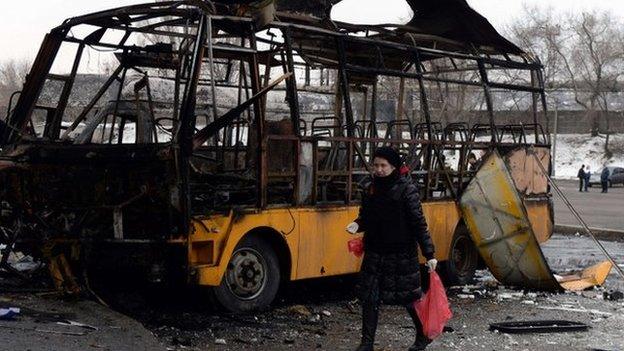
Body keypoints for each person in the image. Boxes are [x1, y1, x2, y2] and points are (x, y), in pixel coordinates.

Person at [346, 146, 437, 351]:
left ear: (394, 166)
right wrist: (357, 224)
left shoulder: (406, 189)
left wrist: (429, 253)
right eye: (375, 165)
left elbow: (418, 223)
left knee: (409, 298)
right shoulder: (370, 187)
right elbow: (366, 216)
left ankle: (423, 335)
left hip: (401, 253)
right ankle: (367, 343)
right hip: (375, 251)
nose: (378, 169)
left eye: (383, 165)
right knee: (370, 297)